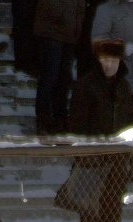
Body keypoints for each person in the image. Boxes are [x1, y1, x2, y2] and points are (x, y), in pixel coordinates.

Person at [68, 38, 133, 222]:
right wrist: (85, 153)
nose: (109, 65)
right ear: (98, 60)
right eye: (105, 60)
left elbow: (129, 119)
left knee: (112, 207)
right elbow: (77, 122)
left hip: (117, 159)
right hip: (91, 158)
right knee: (89, 209)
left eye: (114, 60)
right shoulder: (86, 85)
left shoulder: (124, 86)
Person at [32, 0, 81, 134]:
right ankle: (44, 120)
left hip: (69, 34)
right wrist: (63, 17)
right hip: (52, 32)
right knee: (50, 76)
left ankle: (60, 118)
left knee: (64, 78)